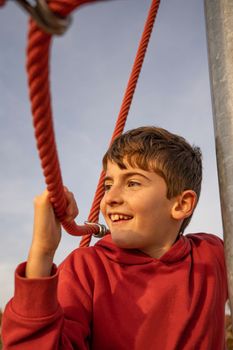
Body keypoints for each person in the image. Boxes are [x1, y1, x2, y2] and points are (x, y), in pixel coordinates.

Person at [2, 126, 228, 349]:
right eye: (108, 185)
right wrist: (42, 251)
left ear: (181, 204)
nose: (110, 197)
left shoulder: (212, 254)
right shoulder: (86, 268)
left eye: (133, 183)